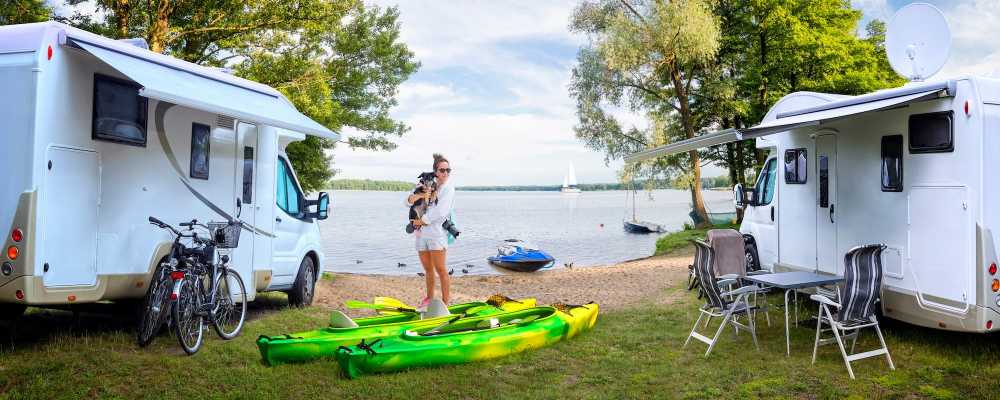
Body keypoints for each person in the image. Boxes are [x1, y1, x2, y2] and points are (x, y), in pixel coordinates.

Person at [406, 154, 455, 308]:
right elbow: (407, 202)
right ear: (435, 172)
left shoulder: (448, 189)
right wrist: (420, 195)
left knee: (441, 270)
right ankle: (429, 299)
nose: (445, 173)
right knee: (427, 270)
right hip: (421, 235)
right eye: (442, 170)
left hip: (436, 235)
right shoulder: (425, 185)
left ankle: (445, 303)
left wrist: (421, 221)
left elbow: (440, 212)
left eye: (448, 170)